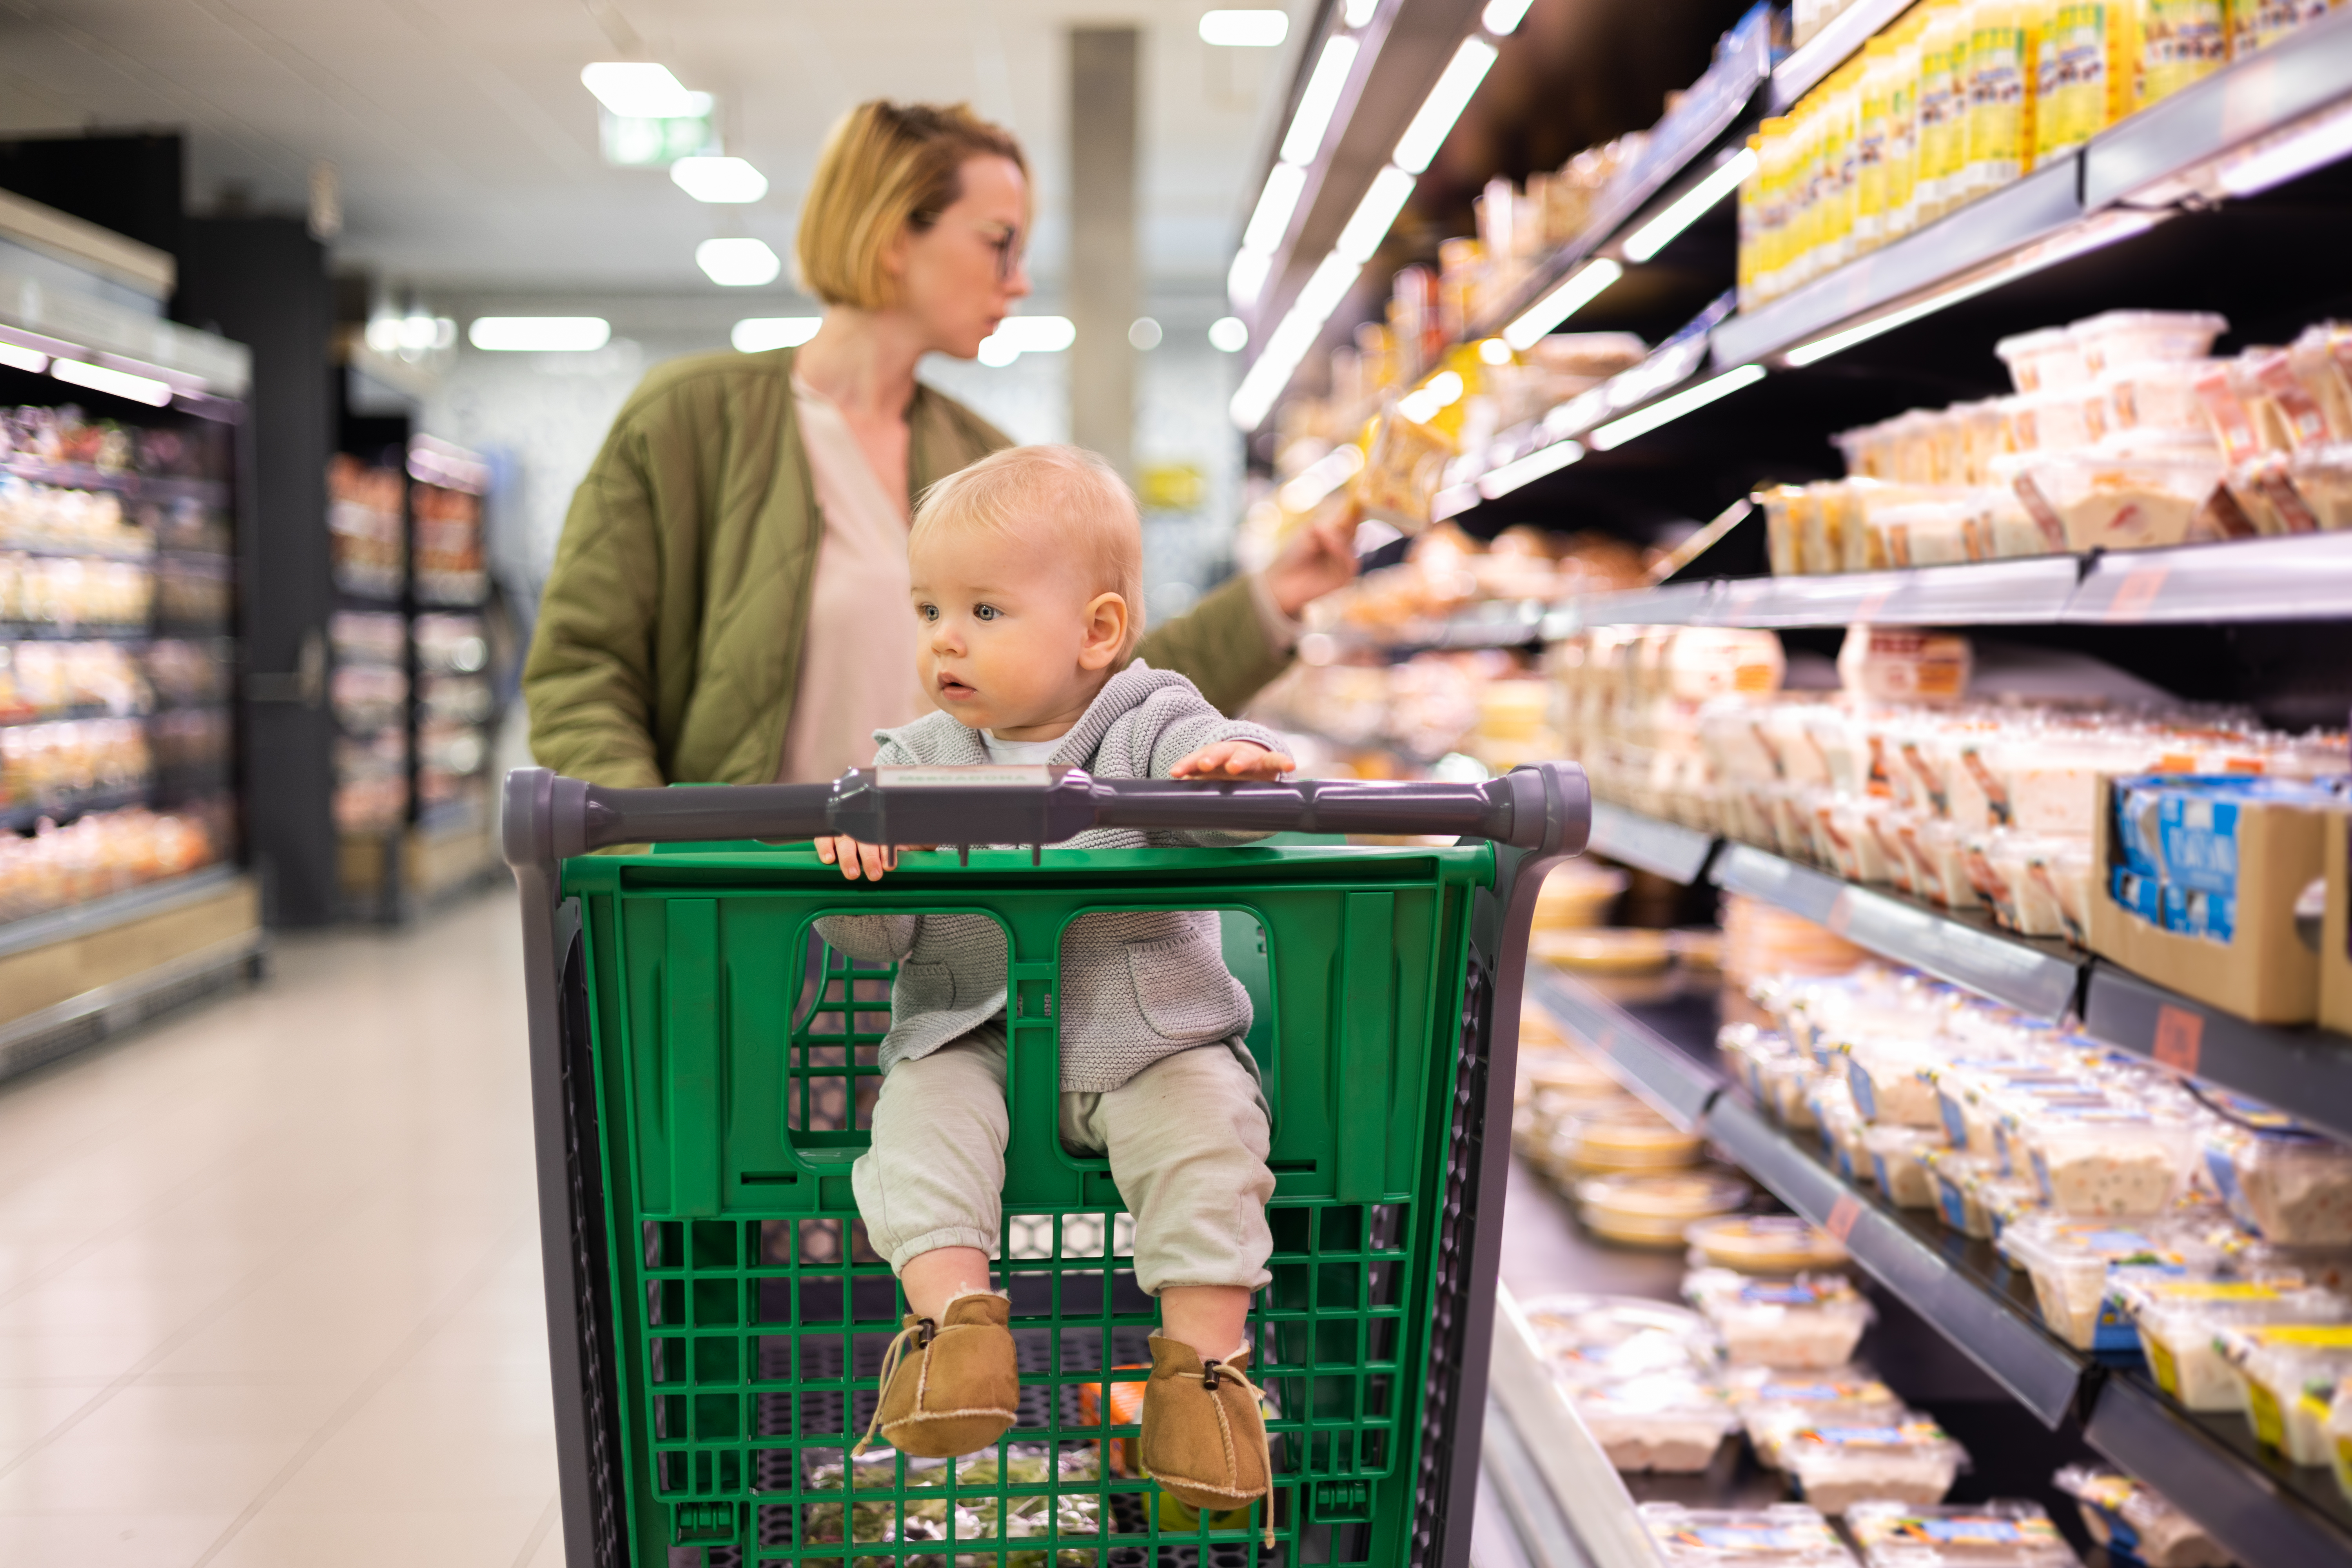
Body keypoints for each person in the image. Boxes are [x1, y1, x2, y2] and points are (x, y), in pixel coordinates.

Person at [523, 99, 1356, 789]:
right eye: (1000, 242)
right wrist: (654, 859)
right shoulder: (689, 422)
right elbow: (582, 673)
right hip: (747, 910)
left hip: (950, 925)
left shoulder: (978, 457)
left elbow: (1095, 678)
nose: (1020, 280)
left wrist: (1271, 596)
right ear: (894, 235)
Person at [813, 445, 1281, 1515]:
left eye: (985, 611)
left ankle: (1202, 1378)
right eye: (930, 608)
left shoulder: (1149, 719)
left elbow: (1238, 785)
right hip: (973, 1038)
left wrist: (1234, 771)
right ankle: (952, 1336)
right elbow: (873, 944)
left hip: (1152, 1037)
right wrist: (860, 862)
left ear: (1099, 632)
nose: (944, 638)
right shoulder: (917, 758)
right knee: (913, 1125)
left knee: (1213, 1133)